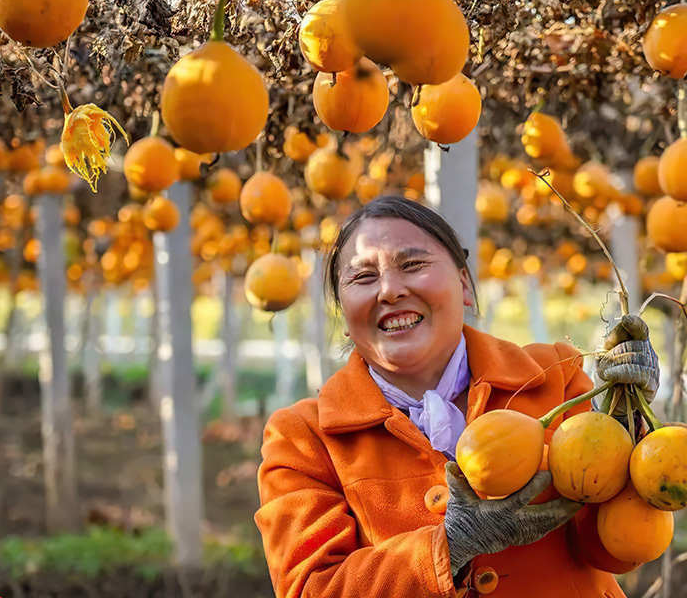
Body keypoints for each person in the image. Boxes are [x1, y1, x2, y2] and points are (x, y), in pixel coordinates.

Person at [255, 195, 660, 598]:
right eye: (363, 278)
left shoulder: (556, 378)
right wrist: (448, 548)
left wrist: (624, 424)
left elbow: (616, 547)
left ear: (464, 284)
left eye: (412, 264)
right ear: (345, 315)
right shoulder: (301, 439)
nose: (390, 290)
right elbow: (311, 588)